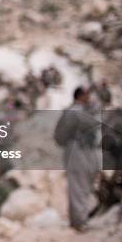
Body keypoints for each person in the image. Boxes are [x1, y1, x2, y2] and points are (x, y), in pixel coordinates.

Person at [54, 86, 101, 231]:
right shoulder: (74, 112)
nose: (89, 97)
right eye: (87, 94)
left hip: (86, 152)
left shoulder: (82, 111)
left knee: (85, 185)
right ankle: (79, 222)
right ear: (80, 96)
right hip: (76, 152)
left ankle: (81, 219)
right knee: (77, 186)